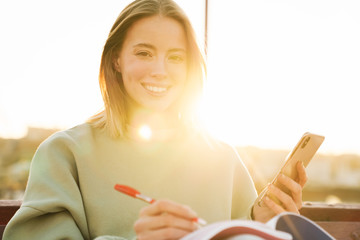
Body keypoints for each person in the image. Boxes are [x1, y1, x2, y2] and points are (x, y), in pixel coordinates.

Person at [3, 0, 308, 239]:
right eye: (144, 53)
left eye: (176, 57)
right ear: (116, 59)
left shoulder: (223, 158)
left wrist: (268, 224)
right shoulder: (63, 154)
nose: (160, 70)